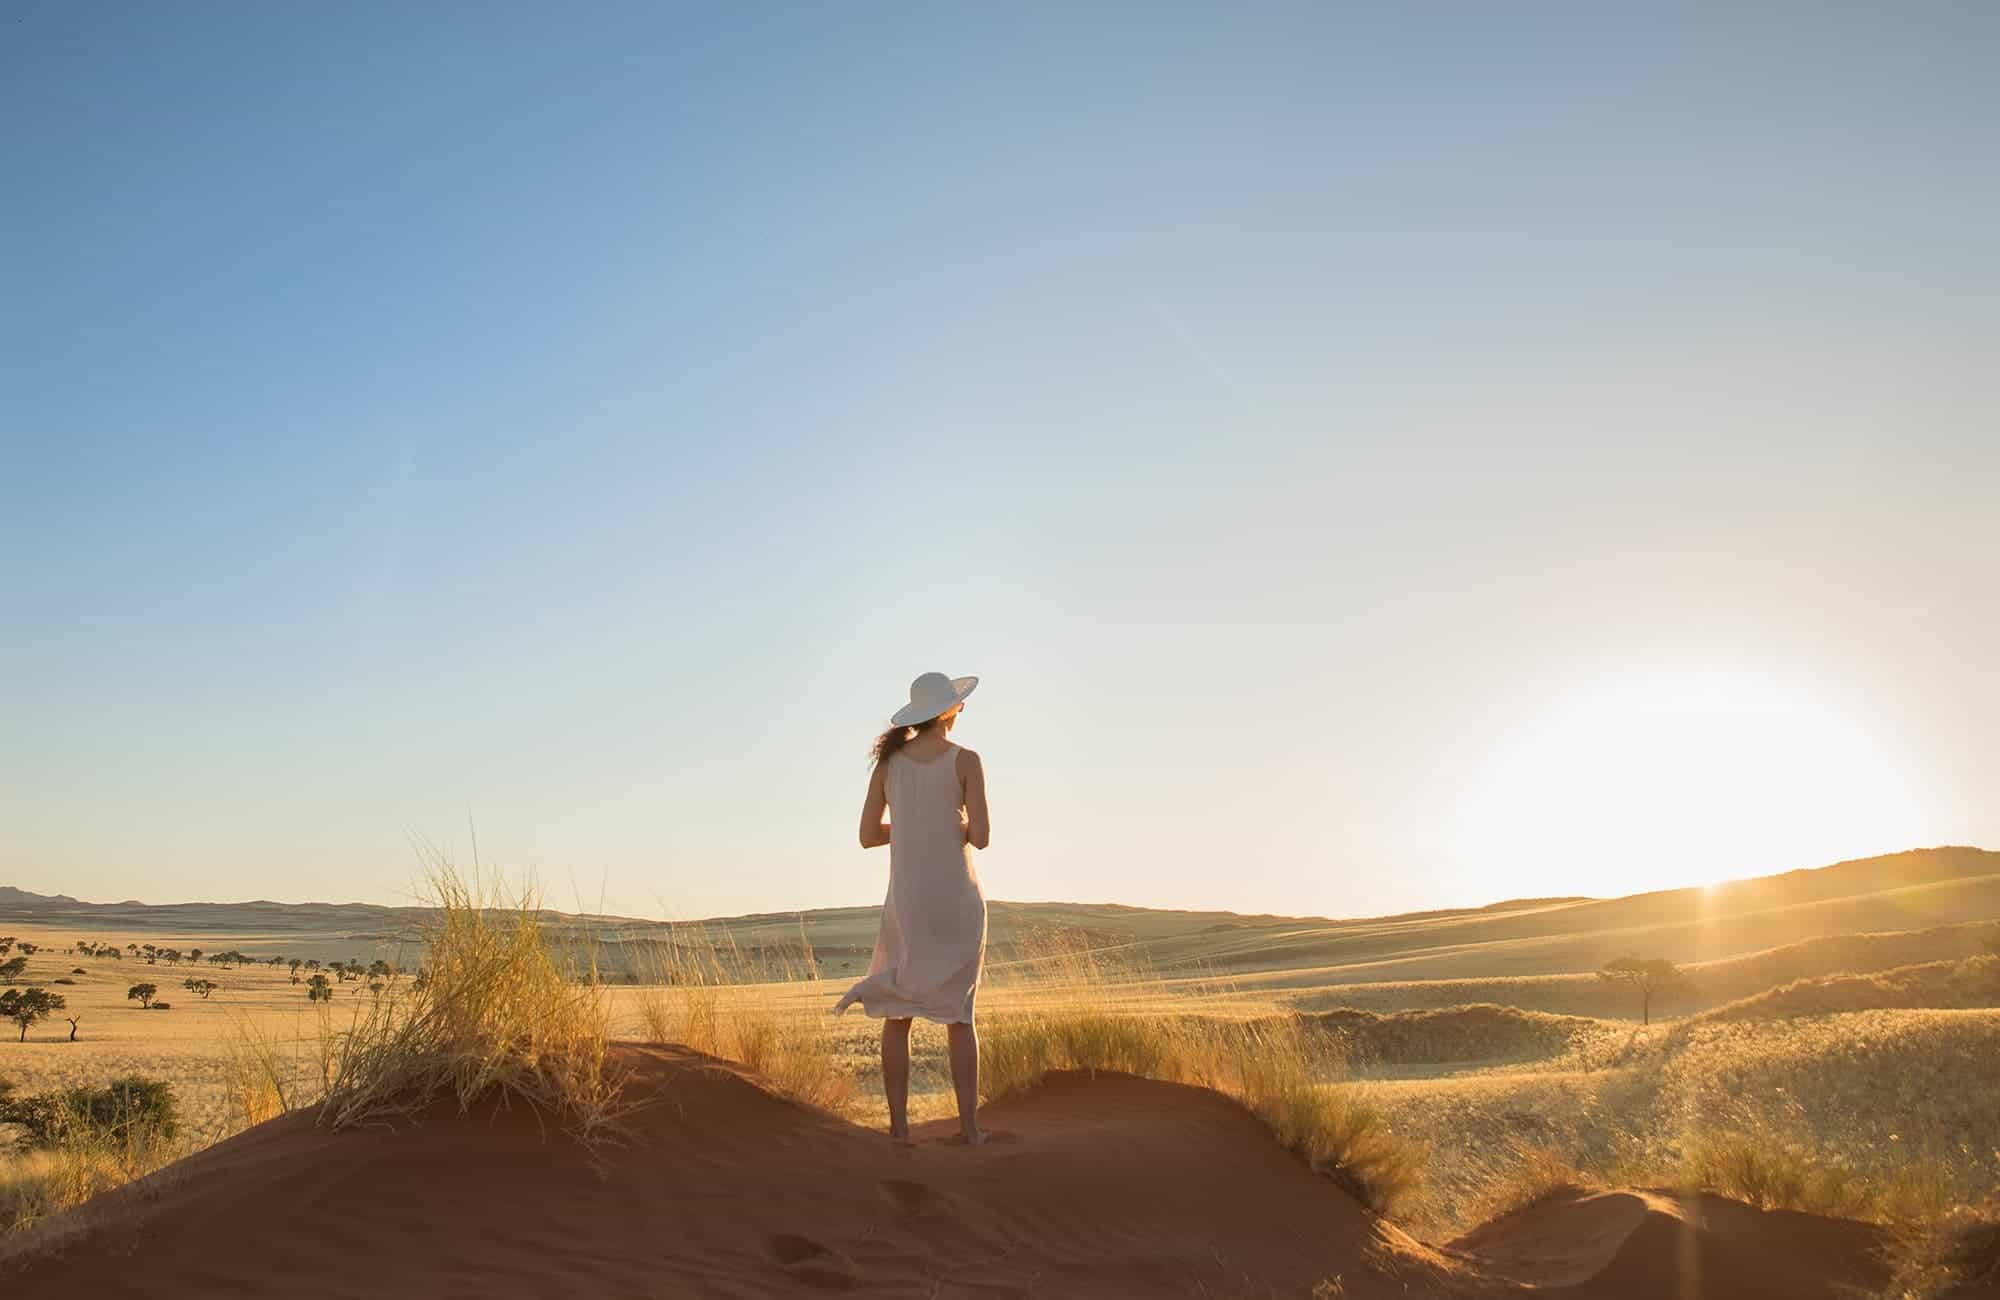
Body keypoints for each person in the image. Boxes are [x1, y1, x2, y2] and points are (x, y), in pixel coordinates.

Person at [834, 670, 991, 1144]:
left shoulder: (889, 765)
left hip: (907, 902)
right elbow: (981, 837)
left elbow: (867, 836)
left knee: (898, 1011)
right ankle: (969, 1131)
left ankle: (898, 1128)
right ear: (948, 711)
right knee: (960, 1016)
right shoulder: (967, 761)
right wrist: (949, 828)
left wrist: (910, 830)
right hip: (957, 900)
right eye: (960, 706)